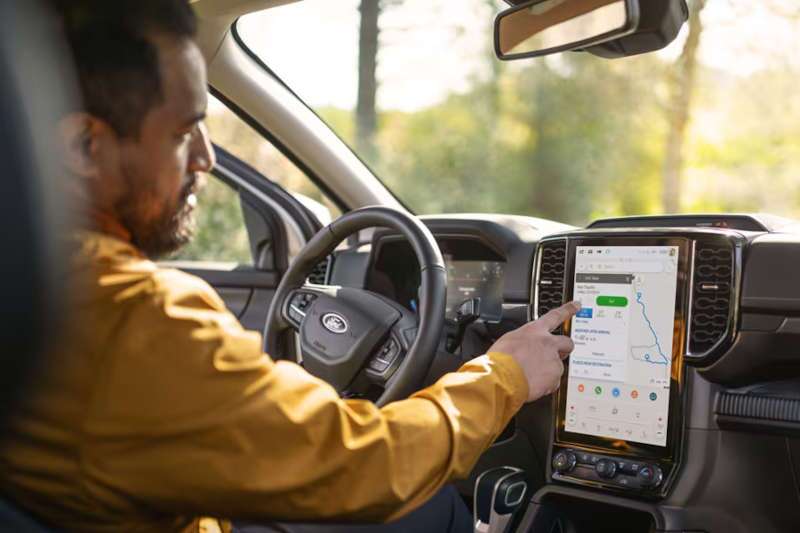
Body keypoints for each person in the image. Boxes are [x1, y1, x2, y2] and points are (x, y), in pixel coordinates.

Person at [0, 1, 579, 532]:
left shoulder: (50, 287)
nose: (205, 157)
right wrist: (504, 376)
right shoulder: (131, 317)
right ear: (83, 148)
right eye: (183, 133)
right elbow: (367, 466)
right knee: (434, 511)